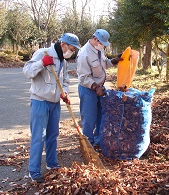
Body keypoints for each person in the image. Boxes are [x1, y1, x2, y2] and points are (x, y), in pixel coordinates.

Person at [23, 33, 80, 183]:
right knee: (38, 137)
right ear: (63, 44)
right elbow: (27, 71)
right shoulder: (44, 53)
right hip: (40, 101)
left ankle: (51, 163)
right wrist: (41, 63)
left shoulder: (63, 61)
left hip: (55, 103)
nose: (71, 52)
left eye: (74, 50)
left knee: (52, 135)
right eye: (71, 48)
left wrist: (64, 91)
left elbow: (65, 79)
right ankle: (34, 170)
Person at [76, 29, 123, 149]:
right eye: (101, 42)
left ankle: (98, 141)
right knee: (88, 119)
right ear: (95, 39)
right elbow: (83, 77)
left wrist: (114, 61)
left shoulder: (99, 49)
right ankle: (88, 146)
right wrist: (96, 88)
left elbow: (104, 63)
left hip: (99, 88)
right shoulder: (84, 53)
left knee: (100, 116)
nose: (102, 45)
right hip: (88, 89)